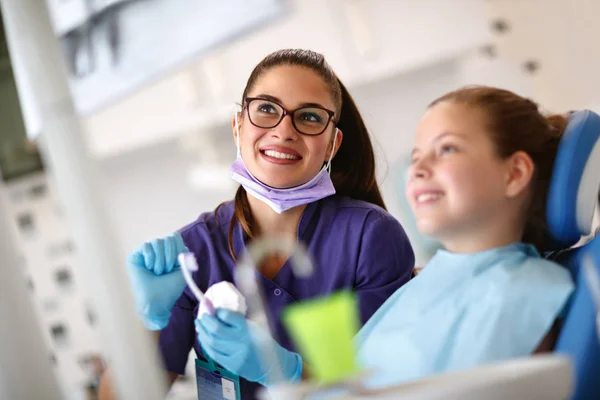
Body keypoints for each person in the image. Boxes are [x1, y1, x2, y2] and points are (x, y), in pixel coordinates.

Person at [98, 49, 415, 399]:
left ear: (331, 145)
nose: (284, 131)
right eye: (266, 109)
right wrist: (147, 322)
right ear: (238, 126)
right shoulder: (193, 253)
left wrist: (282, 369)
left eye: (309, 117)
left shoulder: (369, 238)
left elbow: (390, 383)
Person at [351, 86, 575, 389]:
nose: (416, 169)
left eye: (447, 149)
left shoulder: (520, 291)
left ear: (514, 173)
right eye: (416, 157)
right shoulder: (429, 281)